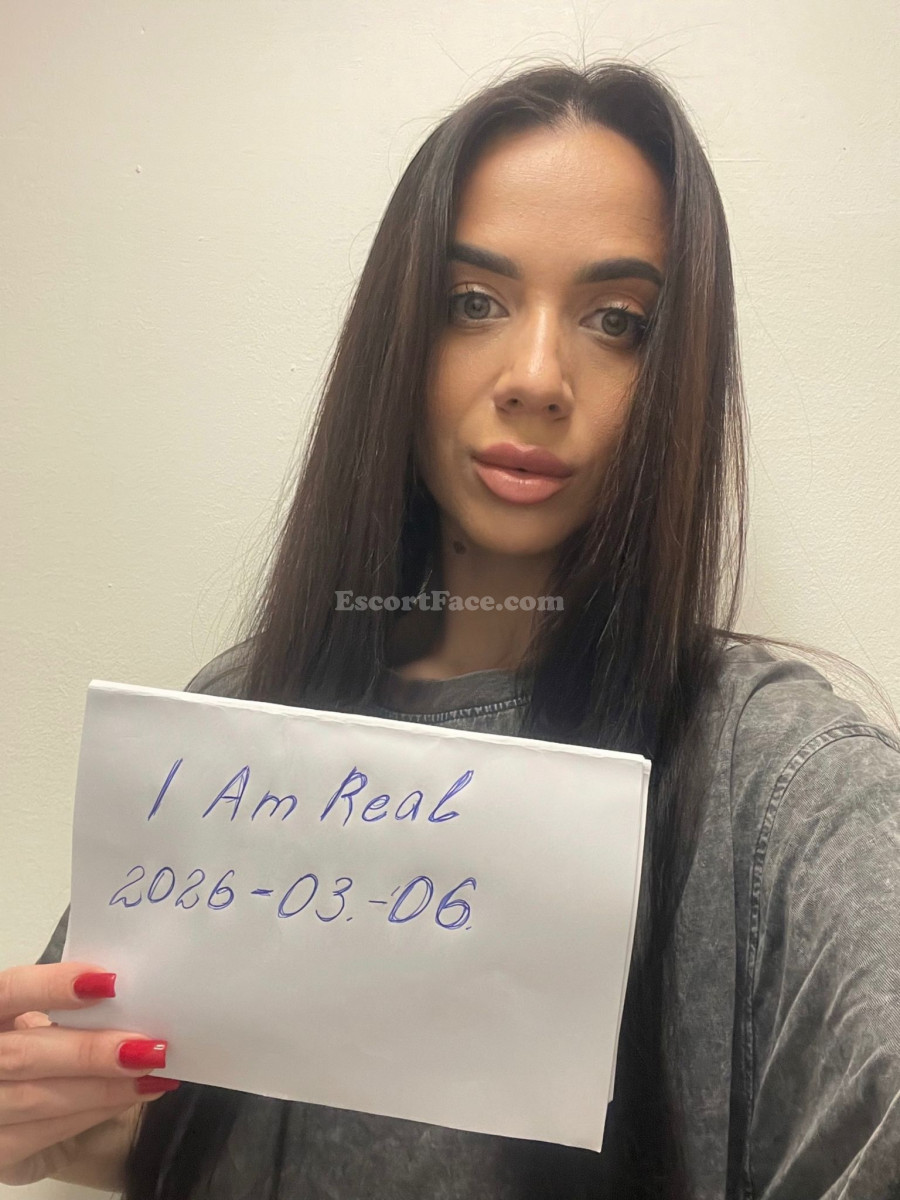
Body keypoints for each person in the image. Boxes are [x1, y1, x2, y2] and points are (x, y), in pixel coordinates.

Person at [2, 58, 898, 1200]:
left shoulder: (777, 779)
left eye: (618, 322)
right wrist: (73, 1123)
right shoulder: (232, 726)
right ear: (401, 336)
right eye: (474, 302)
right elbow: (132, 1104)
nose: (536, 377)